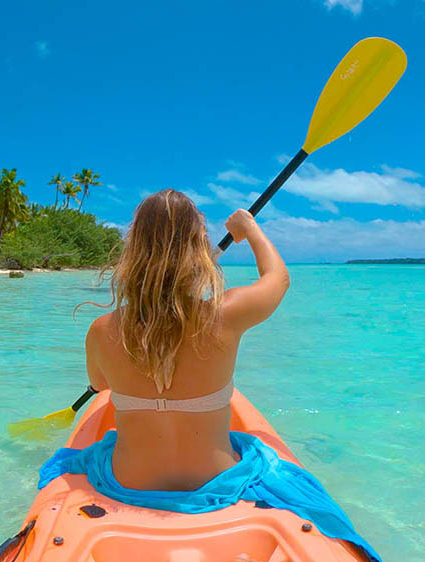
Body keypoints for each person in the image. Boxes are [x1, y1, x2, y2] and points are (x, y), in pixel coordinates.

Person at [84, 188, 290, 491]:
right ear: (199, 249)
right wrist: (248, 228)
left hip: (127, 481)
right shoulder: (225, 316)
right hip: (215, 479)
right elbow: (278, 278)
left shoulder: (102, 330)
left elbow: (101, 385)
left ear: (133, 251)